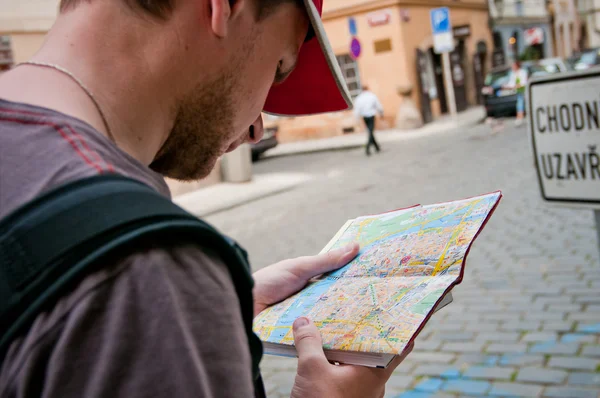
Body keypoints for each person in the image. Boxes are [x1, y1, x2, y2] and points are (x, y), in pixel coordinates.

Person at [0, 0, 413, 397]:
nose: (256, 128)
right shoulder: (147, 270)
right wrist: (184, 306)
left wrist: (217, 310)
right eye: (278, 67)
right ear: (223, 6)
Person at [353, 85, 384, 156]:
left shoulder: (359, 98)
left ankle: (377, 147)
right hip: (371, 115)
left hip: (365, 116)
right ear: (367, 89)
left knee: (370, 131)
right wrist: (381, 113)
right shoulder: (372, 96)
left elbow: (357, 110)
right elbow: (378, 105)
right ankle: (367, 146)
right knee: (370, 131)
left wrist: (357, 119)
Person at [505, 60, 528, 126]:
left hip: (524, 90)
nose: (512, 67)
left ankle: (525, 116)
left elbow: (524, 82)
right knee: (519, 103)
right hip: (519, 91)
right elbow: (511, 82)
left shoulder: (523, 72)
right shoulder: (513, 73)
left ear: (517, 66)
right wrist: (507, 86)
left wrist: (518, 85)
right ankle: (519, 117)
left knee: (525, 103)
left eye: (513, 66)